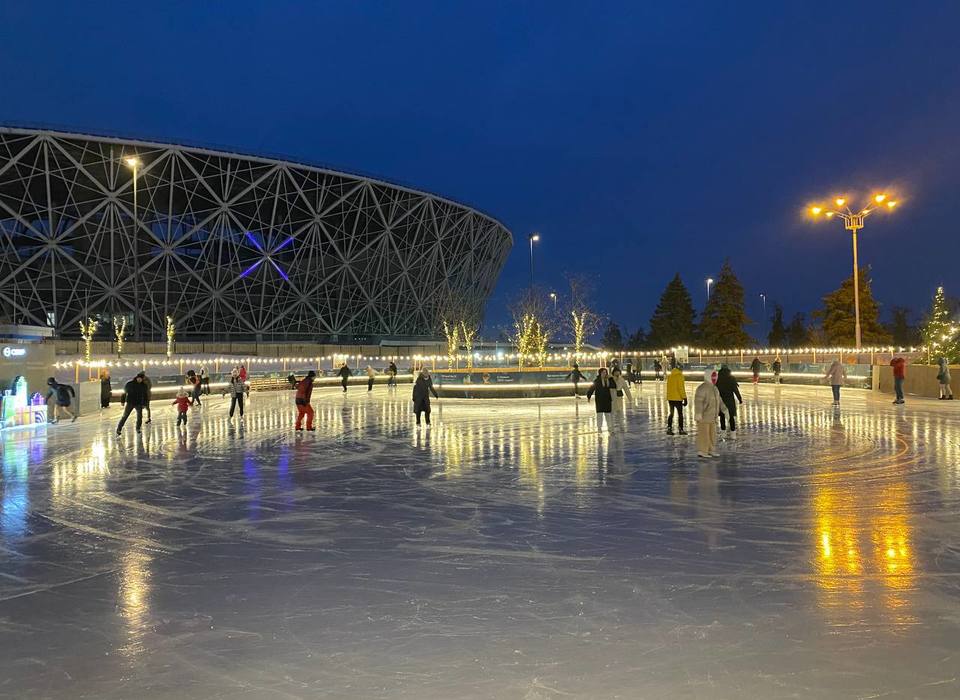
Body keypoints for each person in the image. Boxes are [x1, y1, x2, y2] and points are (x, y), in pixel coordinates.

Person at [694, 368, 725, 458]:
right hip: (704, 417)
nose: (715, 379)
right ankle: (703, 450)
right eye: (713, 377)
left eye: (715, 377)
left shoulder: (715, 389)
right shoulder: (702, 388)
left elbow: (719, 401)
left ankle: (711, 449)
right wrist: (698, 413)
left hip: (713, 417)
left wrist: (725, 409)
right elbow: (698, 402)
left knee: (712, 435)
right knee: (704, 435)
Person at [716, 366, 743, 439]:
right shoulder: (731, 379)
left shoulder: (718, 379)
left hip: (721, 401)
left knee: (722, 417)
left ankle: (723, 433)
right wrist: (739, 399)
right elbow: (735, 390)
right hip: (729, 401)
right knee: (731, 417)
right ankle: (733, 434)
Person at [586, 367, 616, 432]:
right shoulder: (597, 381)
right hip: (599, 400)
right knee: (599, 415)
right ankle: (599, 428)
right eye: (603, 372)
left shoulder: (609, 380)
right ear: (600, 373)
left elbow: (614, 386)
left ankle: (609, 427)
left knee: (607, 414)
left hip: (607, 400)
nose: (604, 374)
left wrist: (611, 378)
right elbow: (591, 389)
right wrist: (589, 396)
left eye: (605, 372)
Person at [665, 361, 687, 435]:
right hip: (678, 398)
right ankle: (680, 429)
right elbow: (681, 388)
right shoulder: (680, 376)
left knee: (671, 413)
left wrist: (668, 397)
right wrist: (685, 398)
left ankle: (669, 428)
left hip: (670, 398)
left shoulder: (670, 376)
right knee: (680, 414)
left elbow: (668, 388)